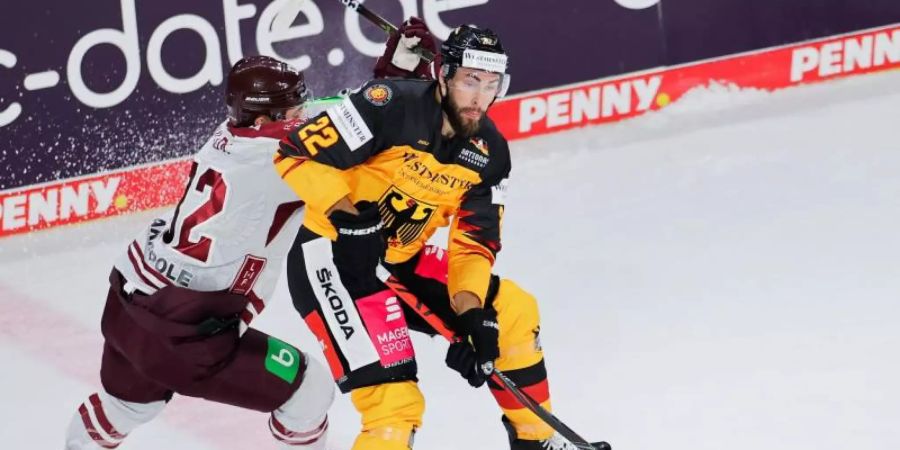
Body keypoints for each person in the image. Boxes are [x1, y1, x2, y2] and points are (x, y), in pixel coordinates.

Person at [275, 22, 606, 450]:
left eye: (491, 85)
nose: (479, 97)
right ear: (443, 75)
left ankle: (535, 441)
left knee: (511, 312)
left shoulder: (490, 152)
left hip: (398, 261)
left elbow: (474, 243)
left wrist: (471, 315)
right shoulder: (387, 103)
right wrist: (347, 216)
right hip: (333, 260)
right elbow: (296, 154)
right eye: (470, 81)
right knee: (395, 404)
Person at [64, 56, 335, 450]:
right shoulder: (283, 160)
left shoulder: (229, 132)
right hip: (184, 333)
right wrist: (397, 85)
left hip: (129, 301)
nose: (303, 117)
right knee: (309, 389)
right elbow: (359, 136)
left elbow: (325, 120)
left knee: (122, 408)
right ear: (264, 120)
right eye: (295, 112)